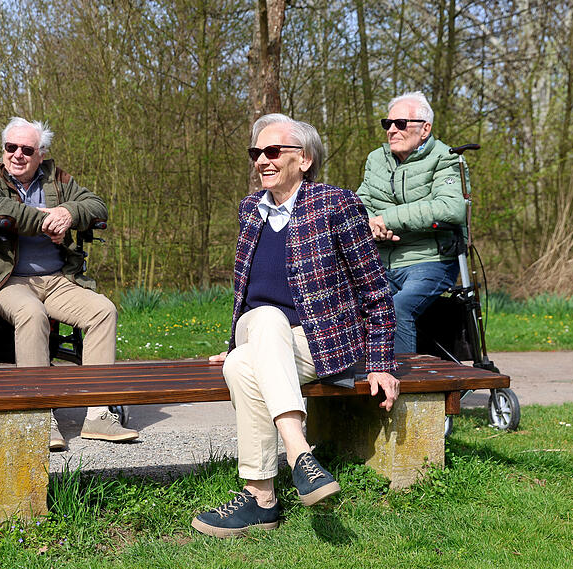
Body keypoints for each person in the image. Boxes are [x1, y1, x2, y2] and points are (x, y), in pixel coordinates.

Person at [192, 114, 399, 538]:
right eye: (256, 153)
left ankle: (261, 499)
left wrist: (380, 362)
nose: (261, 162)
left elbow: (374, 289)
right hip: (258, 327)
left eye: (272, 152)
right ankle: (300, 453)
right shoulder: (250, 210)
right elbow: (246, 292)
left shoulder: (335, 204)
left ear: (303, 159)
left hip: (314, 342)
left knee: (240, 367)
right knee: (266, 318)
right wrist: (234, 338)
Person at [0, 117, 138, 450]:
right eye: (10, 147)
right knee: (32, 313)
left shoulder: (57, 179)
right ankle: (39, 416)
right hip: (6, 279)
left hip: (57, 279)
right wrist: (47, 219)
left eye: (26, 149)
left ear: (40, 153)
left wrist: (69, 213)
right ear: (2, 150)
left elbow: (97, 205)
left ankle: (99, 415)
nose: (17, 154)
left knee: (103, 310)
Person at [356, 91, 468, 354]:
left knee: (397, 307)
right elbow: (362, 203)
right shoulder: (376, 159)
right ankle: (349, 386)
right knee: (339, 304)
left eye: (401, 124)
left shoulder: (446, 158)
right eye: (388, 124)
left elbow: (451, 208)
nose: (392, 130)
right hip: (381, 260)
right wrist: (372, 227)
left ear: (425, 129)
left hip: (429, 261)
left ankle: (407, 387)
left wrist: (389, 219)